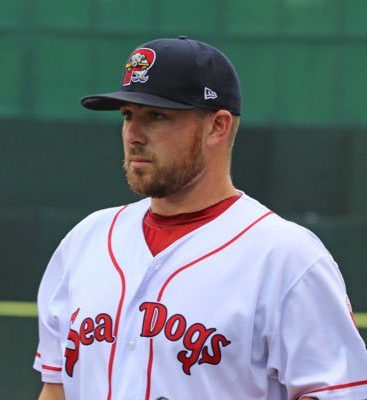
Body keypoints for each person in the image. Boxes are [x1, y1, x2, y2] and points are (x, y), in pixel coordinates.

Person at [34, 37, 367, 400]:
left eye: (156, 116)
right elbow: (56, 390)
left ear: (217, 126)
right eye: (128, 115)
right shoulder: (86, 241)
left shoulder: (286, 256)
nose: (134, 135)